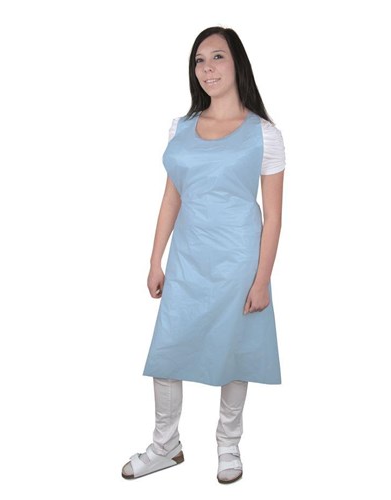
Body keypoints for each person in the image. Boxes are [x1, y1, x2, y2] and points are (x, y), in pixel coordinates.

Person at [122, 26, 286, 484]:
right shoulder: (182, 128)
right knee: (167, 351)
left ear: (237, 64)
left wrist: (261, 279)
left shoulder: (264, 135)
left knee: (235, 352)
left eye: (217, 57)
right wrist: (155, 259)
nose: (207, 68)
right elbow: (172, 197)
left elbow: (273, 216)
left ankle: (228, 444)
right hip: (188, 259)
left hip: (238, 261)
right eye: (199, 60)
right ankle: (165, 445)